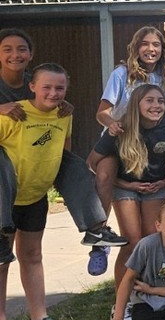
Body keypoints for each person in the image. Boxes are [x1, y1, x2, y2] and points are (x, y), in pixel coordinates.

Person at [0, 28, 125, 273]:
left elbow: (47, 98)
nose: (15, 54)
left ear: (31, 54)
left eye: (22, 49)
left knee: (75, 164)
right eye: (8, 49)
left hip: (33, 154)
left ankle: (95, 228)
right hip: (6, 159)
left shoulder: (33, 81)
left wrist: (59, 103)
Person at [94, 26, 165, 239]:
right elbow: (102, 112)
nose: (151, 49)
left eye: (156, 44)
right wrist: (113, 124)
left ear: (163, 49)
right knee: (104, 174)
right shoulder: (122, 74)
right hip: (123, 138)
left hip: (156, 138)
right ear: (136, 48)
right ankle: (99, 231)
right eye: (145, 44)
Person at [87, 84, 165, 290]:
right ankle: (121, 299)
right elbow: (92, 163)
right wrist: (126, 184)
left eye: (161, 101)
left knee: (151, 241)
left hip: (154, 185)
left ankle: (144, 291)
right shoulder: (120, 128)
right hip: (125, 185)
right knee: (133, 242)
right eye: (150, 101)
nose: (156, 105)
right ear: (136, 104)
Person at [0, 63, 75, 320]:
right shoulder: (12, 113)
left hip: (35, 196)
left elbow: (64, 146)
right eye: (47, 87)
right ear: (32, 86)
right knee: (2, 261)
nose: (53, 93)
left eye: (60, 88)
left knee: (32, 256)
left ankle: (38, 319)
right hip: (6, 199)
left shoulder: (64, 114)